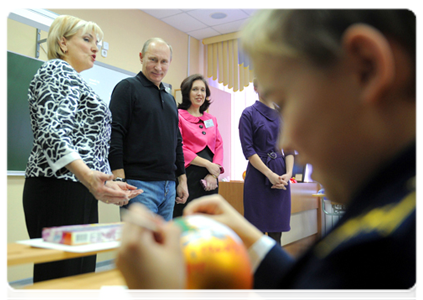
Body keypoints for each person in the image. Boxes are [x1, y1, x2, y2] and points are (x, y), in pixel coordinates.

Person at [116, 8, 419, 299]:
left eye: (287, 100)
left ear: (366, 68)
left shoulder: (393, 246)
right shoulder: (391, 210)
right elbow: (315, 288)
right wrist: (253, 244)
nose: (287, 139)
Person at [22, 15, 142, 283]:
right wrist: (88, 177)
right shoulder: (56, 70)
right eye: (87, 40)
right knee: (62, 278)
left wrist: (106, 182)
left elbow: (86, 144)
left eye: (96, 42)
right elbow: (52, 132)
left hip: (74, 188)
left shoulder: (75, 79)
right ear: (63, 43)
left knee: (78, 274)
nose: (94, 48)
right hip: (58, 188)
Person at [108, 37, 188, 221]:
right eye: (153, 59)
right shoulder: (127, 88)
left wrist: (181, 178)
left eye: (164, 61)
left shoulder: (169, 99)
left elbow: (176, 141)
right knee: (140, 249)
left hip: (169, 187)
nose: (158, 67)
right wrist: (118, 178)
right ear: (141, 57)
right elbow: (114, 133)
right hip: (139, 186)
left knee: (160, 248)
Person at [239, 78, 294, 245]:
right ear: (255, 88)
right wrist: (269, 174)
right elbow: (248, 151)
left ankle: (277, 271)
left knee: (277, 234)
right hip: (258, 175)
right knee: (257, 234)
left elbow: (289, 149)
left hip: (281, 175)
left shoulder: (283, 115)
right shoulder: (248, 114)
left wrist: (288, 174)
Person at [173, 74, 224, 218]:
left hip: (210, 179)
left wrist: (213, 173)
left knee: (209, 221)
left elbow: (219, 146)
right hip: (188, 176)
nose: (199, 93)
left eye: (203, 90)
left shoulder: (211, 119)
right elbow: (178, 147)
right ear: (187, 92)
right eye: (195, 89)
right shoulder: (178, 116)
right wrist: (207, 164)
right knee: (186, 220)